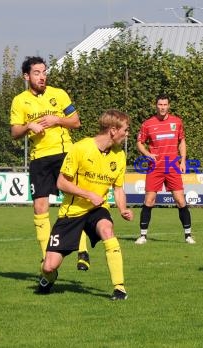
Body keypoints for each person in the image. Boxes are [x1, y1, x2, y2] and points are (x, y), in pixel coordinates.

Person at [36, 109, 134, 300]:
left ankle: (119, 287)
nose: (127, 133)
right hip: (71, 212)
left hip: (97, 209)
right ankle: (49, 278)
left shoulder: (119, 155)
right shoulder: (80, 148)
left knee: (107, 229)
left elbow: (118, 189)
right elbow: (61, 183)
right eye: (126, 129)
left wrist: (123, 209)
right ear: (113, 130)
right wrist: (89, 194)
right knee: (49, 266)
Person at [10, 56, 91, 271]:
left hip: (64, 153)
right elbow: (14, 132)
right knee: (40, 207)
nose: (42, 76)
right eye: (37, 73)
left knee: (73, 200)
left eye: (44, 72)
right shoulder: (20, 100)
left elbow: (76, 122)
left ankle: (82, 250)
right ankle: (46, 255)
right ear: (26, 76)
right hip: (39, 159)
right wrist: (29, 126)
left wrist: (57, 120)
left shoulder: (59, 94)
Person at [134, 94, 195, 245]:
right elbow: (139, 143)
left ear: (169, 105)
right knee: (149, 200)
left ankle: (188, 235)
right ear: (156, 105)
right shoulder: (148, 124)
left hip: (172, 165)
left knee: (180, 200)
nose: (162, 107)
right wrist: (148, 154)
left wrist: (183, 160)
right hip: (155, 167)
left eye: (165, 104)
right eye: (160, 104)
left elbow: (182, 141)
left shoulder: (177, 122)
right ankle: (142, 236)